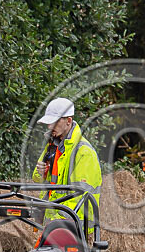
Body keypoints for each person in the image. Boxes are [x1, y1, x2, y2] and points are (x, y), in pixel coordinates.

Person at [32, 98, 101, 229]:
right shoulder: (52, 145)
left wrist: (56, 223)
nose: (49, 126)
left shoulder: (83, 152)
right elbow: (36, 178)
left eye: (54, 122)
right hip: (54, 224)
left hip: (74, 227)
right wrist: (43, 172)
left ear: (68, 121)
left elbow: (79, 196)